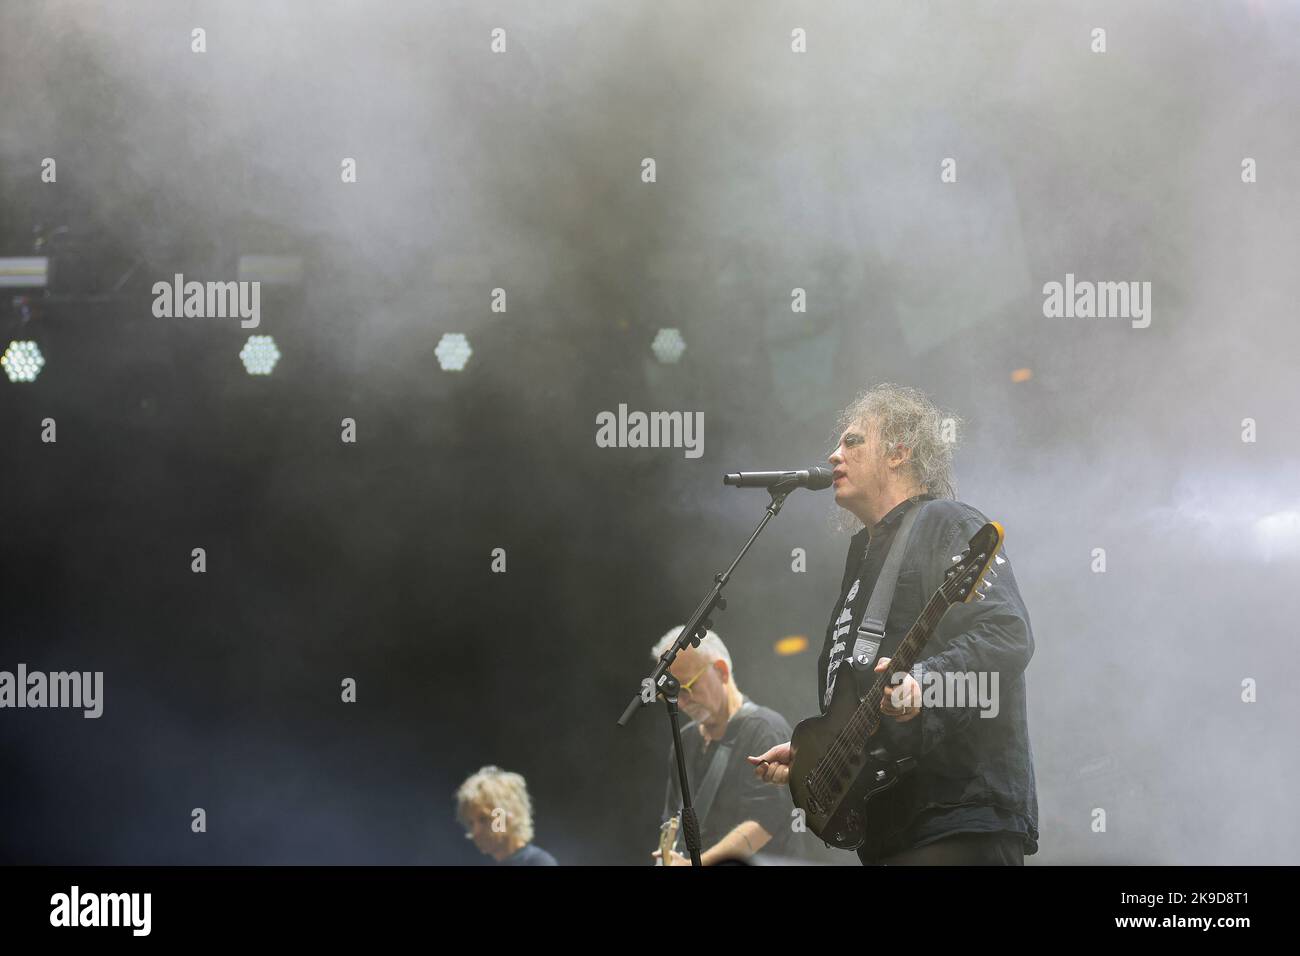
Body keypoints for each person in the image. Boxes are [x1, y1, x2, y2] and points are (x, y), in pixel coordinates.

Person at [749, 383, 1039, 865]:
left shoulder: (946, 521)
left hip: (954, 814)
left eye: (853, 441)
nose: (833, 453)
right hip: (890, 831)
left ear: (900, 452)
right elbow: (862, 695)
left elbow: (1007, 634)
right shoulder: (864, 556)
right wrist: (818, 756)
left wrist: (926, 682)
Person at [650, 627, 795, 865]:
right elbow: (672, 818)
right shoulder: (685, 740)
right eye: (670, 694)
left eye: (686, 688)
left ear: (721, 671)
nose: (681, 702)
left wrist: (696, 863)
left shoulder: (766, 728)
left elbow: (765, 821)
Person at [455, 765, 558, 865]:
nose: (475, 831)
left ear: (509, 815)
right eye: (471, 823)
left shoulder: (538, 862)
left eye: (484, 819)